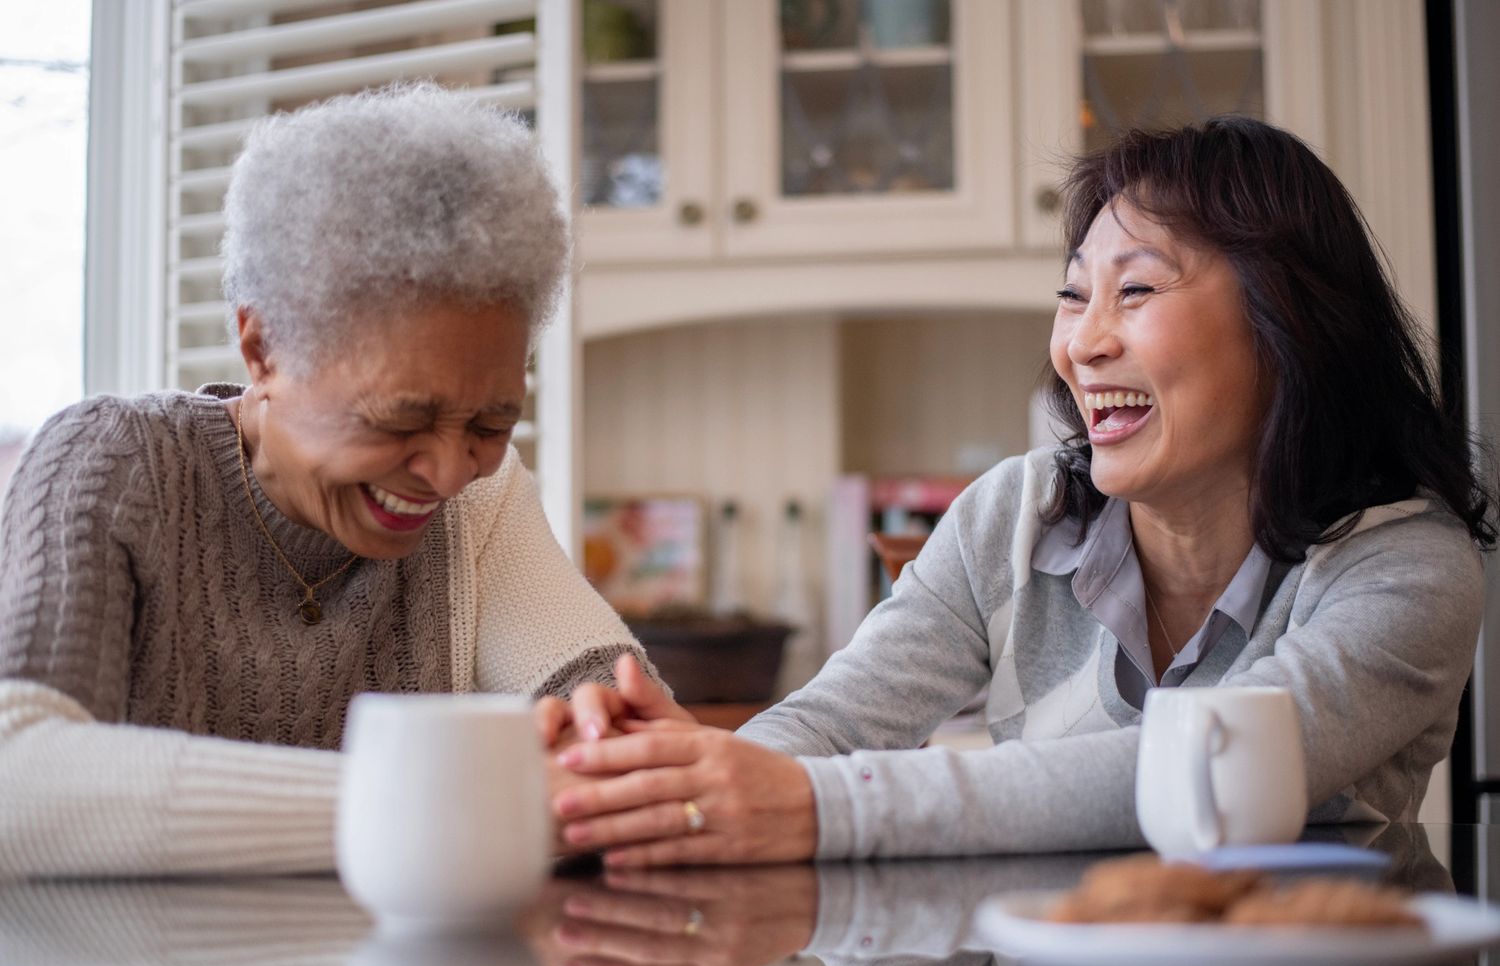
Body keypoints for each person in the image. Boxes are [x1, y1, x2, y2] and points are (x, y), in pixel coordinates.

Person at [542, 116, 1495, 866]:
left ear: (1285, 327)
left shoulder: (1405, 567)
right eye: (1074, 295)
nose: (1083, 344)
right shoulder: (1015, 513)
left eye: (1137, 292)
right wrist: (694, 771)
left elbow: (1195, 773)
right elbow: (833, 723)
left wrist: (809, 801)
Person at [0, 83, 660, 878]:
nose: (451, 472)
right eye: (399, 420)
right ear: (264, 348)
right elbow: (18, 775)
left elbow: (641, 756)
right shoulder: (115, 464)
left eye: (490, 423)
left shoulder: (481, 503)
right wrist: (430, 805)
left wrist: (610, 741)